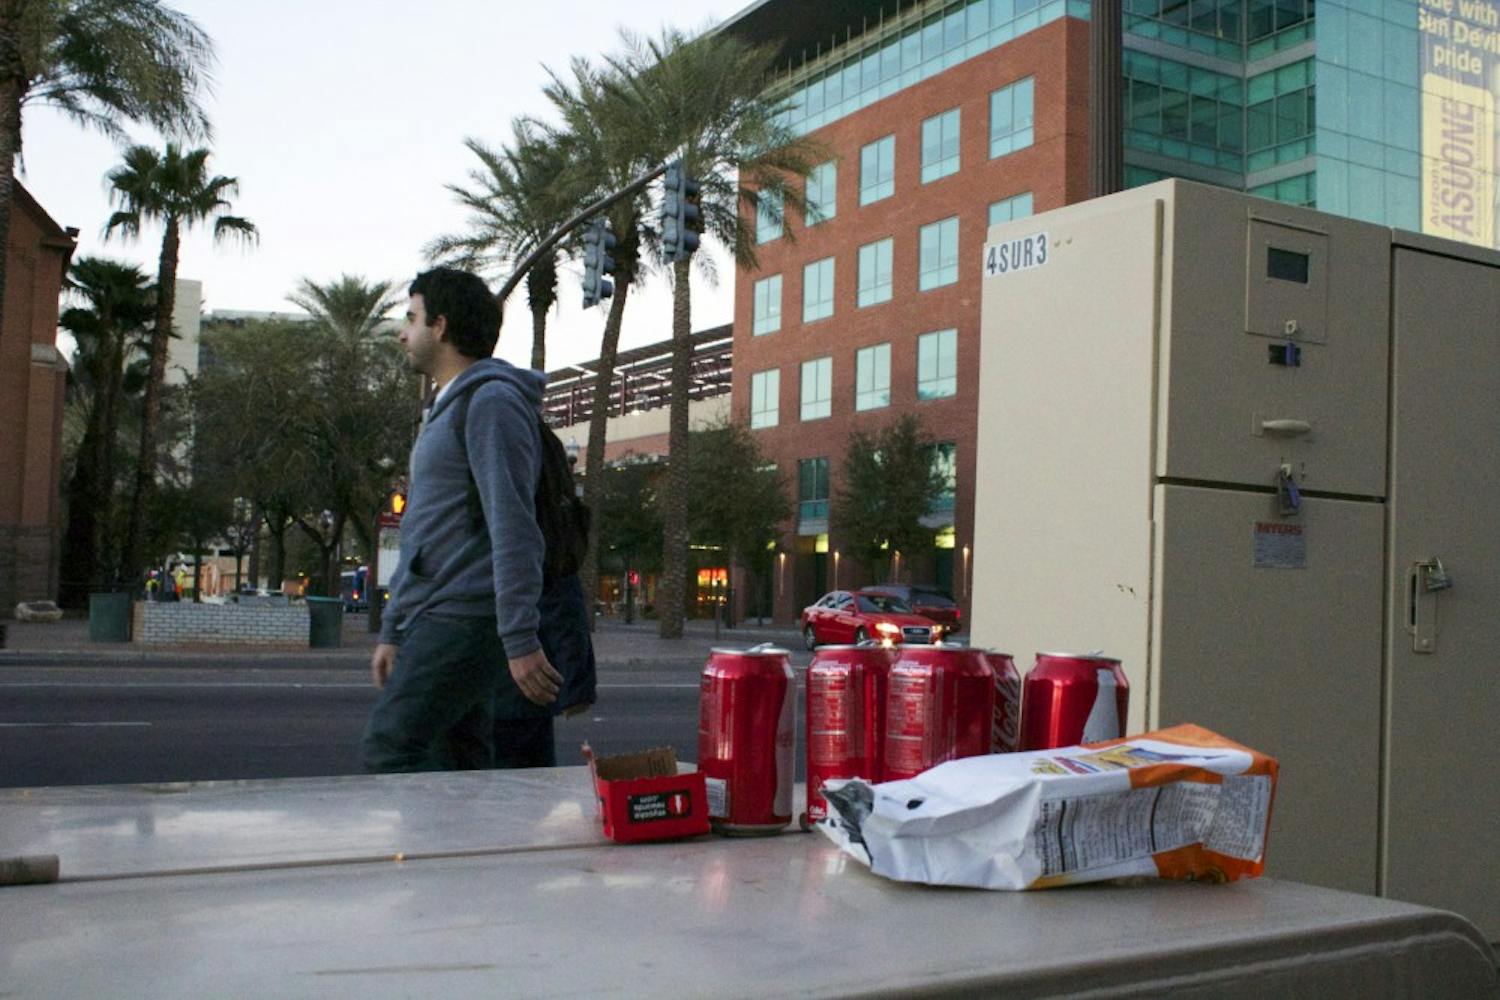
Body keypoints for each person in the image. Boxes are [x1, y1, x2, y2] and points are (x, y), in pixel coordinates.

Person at [361, 267, 563, 772]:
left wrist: (519, 637)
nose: (403, 333)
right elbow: (426, 533)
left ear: (442, 326)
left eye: (412, 318)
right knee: (456, 766)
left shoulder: (490, 402)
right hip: (440, 614)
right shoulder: (447, 407)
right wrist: (394, 629)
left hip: (464, 617)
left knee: (392, 747)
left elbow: (514, 525)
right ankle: (464, 852)